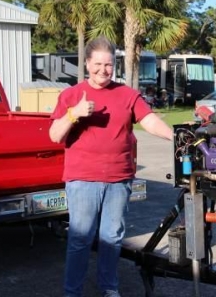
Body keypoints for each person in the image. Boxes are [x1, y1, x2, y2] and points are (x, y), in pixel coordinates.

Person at [49, 35, 173, 297]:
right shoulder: (71, 95)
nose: (103, 70)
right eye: (97, 64)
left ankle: (109, 287)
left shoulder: (127, 94)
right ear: (86, 63)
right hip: (83, 179)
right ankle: (72, 292)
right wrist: (74, 114)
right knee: (81, 239)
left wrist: (176, 137)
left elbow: (149, 120)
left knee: (112, 238)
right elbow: (55, 135)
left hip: (119, 179)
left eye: (108, 65)